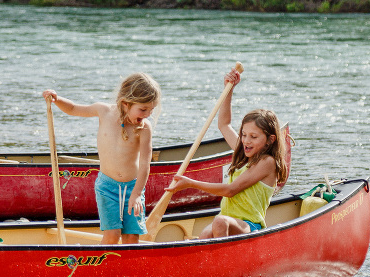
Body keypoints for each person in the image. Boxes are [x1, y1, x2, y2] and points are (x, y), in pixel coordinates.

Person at [165, 69, 288, 238]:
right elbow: (224, 124)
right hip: (227, 219)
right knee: (205, 234)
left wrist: (191, 183)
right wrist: (229, 89)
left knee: (219, 221)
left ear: (270, 140)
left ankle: (225, 260)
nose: (246, 141)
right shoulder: (244, 153)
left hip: (250, 225)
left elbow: (230, 190)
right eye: (244, 135)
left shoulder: (268, 162)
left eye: (253, 137)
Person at [42, 73, 161, 244]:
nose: (148, 114)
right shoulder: (103, 111)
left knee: (131, 236)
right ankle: (104, 267)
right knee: (112, 235)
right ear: (125, 104)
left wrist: (136, 194)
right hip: (107, 187)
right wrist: (57, 99)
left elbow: (144, 163)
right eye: (143, 109)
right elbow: (75, 109)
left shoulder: (144, 128)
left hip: (133, 189)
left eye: (151, 109)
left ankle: (125, 269)